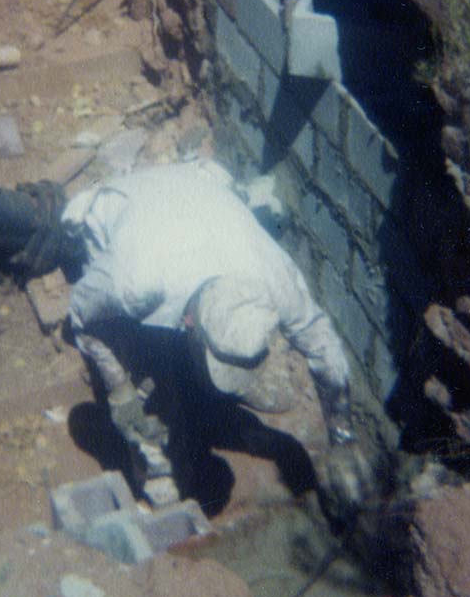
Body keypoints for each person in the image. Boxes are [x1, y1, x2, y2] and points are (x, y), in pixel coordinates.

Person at [61, 159, 376, 513]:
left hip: (194, 189)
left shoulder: (272, 280)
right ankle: (156, 480)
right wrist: (119, 389)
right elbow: (82, 317)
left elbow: (323, 347)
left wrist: (342, 438)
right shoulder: (133, 285)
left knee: (219, 386)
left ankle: (203, 394)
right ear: (191, 322)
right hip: (122, 213)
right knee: (147, 386)